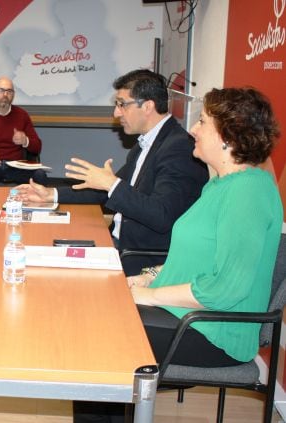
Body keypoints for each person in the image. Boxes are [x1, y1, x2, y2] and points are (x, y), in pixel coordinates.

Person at [75, 87, 283, 422]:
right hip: (189, 313)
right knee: (98, 313)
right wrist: (148, 275)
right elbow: (195, 259)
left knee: (99, 332)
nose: (194, 130)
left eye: (202, 122)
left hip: (215, 331)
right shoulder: (218, 185)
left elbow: (227, 289)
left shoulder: (248, 192)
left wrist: (148, 294)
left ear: (228, 136)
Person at [17, 69, 208, 275]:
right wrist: (51, 194)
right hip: (115, 243)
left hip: (138, 259)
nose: (116, 113)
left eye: (121, 104)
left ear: (147, 106)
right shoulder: (146, 142)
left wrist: (111, 184)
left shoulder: (179, 148)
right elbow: (108, 189)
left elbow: (161, 215)